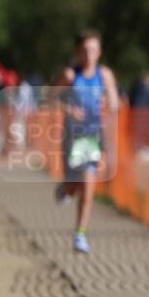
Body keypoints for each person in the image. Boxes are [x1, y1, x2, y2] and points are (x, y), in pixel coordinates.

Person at [52, 30, 120, 254]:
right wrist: (69, 108)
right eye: (84, 50)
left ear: (99, 52)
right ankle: (65, 189)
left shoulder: (105, 75)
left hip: (92, 138)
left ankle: (80, 234)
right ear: (77, 52)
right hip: (72, 138)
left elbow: (114, 103)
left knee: (89, 186)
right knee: (75, 186)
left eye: (93, 50)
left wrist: (110, 103)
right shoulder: (71, 76)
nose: (89, 54)